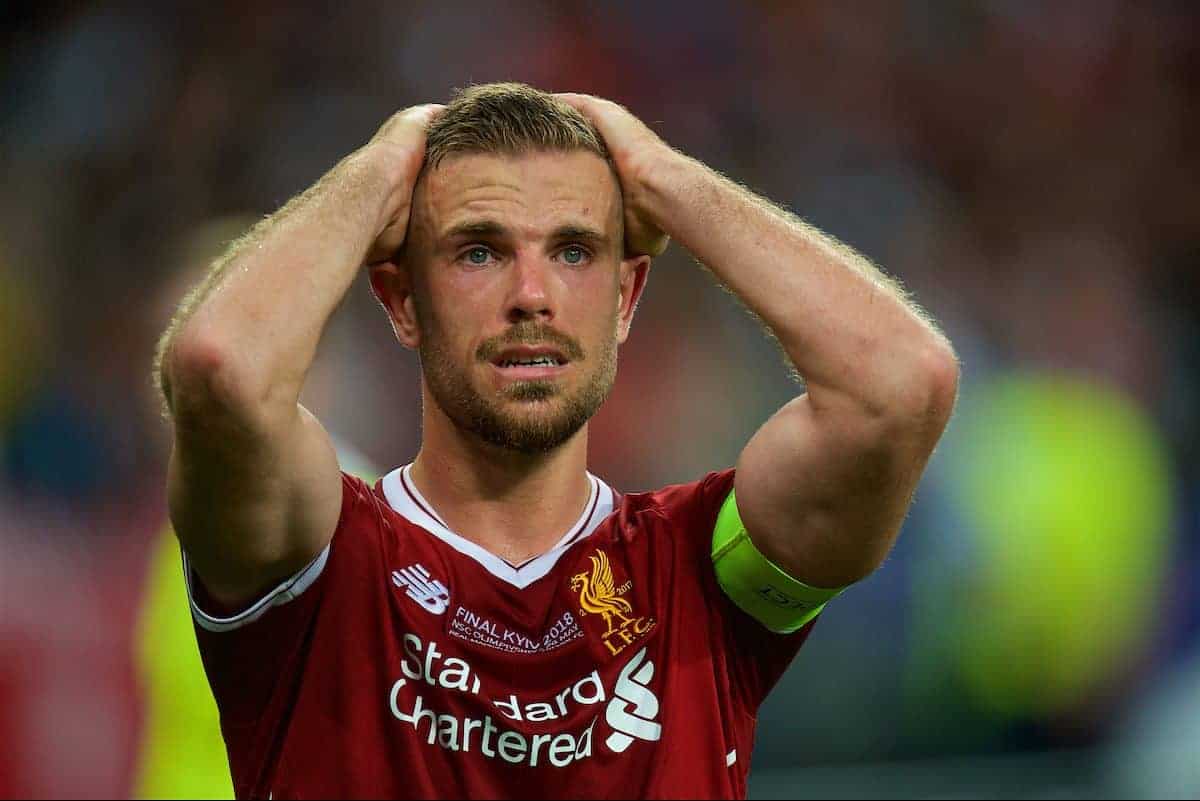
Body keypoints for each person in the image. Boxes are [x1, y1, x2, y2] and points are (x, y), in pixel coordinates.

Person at [154, 83, 958, 799]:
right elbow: (220, 370)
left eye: (574, 251)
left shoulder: (701, 573)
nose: (532, 296)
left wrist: (660, 177)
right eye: (479, 251)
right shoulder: (319, 561)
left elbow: (900, 385)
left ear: (625, 298)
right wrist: (378, 170)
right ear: (401, 302)